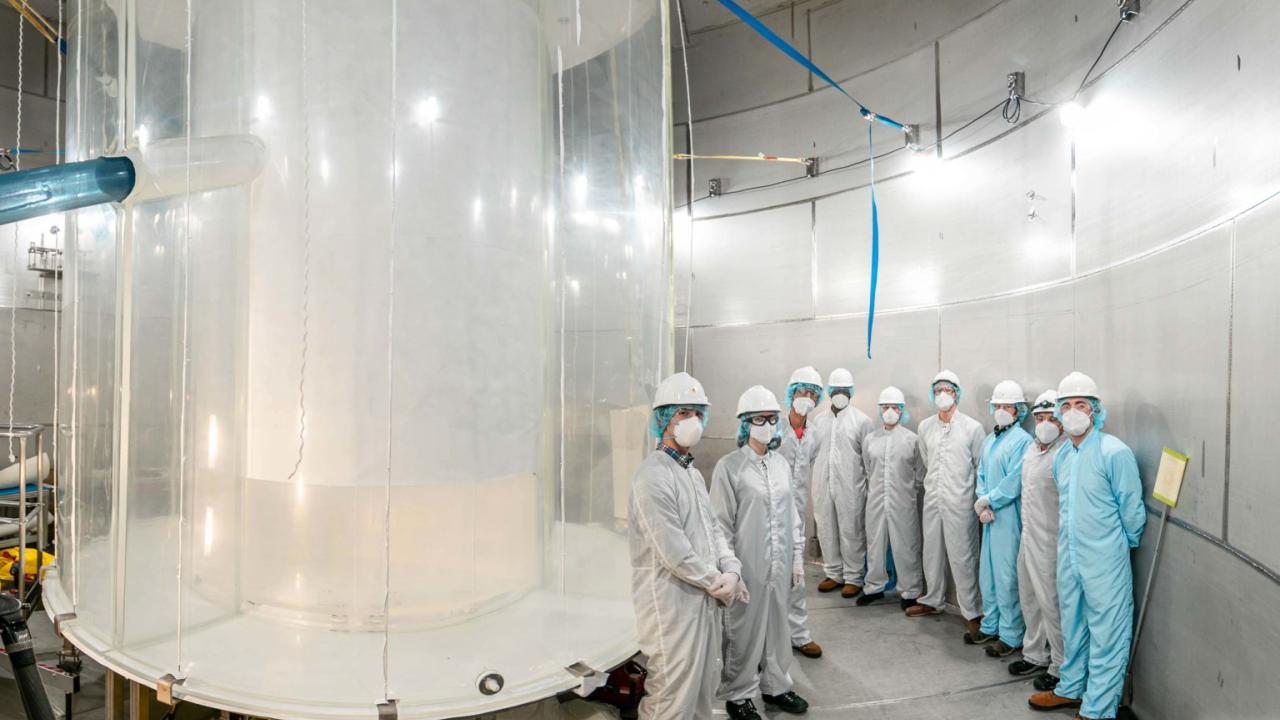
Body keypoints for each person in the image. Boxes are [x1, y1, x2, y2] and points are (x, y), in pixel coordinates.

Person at [630, 372, 746, 720]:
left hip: (700, 600)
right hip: (672, 609)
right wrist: (718, 583)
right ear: (663, 419)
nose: (692, 421)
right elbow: (674, 553)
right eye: (682, 413)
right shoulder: (652, 476)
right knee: (670, 697)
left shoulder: (691, 474)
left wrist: (733, 569)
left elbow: (713, 529)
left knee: (700, 690)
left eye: (697, 412)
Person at [1029, 372, 1146, 720]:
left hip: (1105, 560)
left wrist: (1117, 548)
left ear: (1095, 411)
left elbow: (1132, 511)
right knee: (1073, 626)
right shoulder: (1064, 456)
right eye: (1067, 406)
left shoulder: (1114, 452)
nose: (1074, 412)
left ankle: (1097, 709)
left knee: (1108, 633)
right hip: (1070, 557)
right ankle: (1070, 688)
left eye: (1081, 405)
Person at [710, 386, 810, 720]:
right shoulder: (730, 467)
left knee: (779, 628)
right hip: (747, 566)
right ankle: (738, 694)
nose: (766, 425)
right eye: (758, 419)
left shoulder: (781, 464)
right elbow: (719, 525)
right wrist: (729, 570)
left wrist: (797, 557)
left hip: (780, 565)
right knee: (743, 630)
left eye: (770, 418)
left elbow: (792, 516)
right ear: (744, 424)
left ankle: (777, 686)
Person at [907, 370, 986, 643]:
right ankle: (932, 599)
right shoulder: (925, 427)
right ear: (932, 394)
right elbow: (927, 460)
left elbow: (979, 467)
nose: (943, 394)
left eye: (949, 390)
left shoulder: (972, 428)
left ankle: (972, 611)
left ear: (957, 394)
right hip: (933, 499)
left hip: (960, 502)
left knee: (963, 556)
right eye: (938, 389)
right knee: (932, 551)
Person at [1010, 390, 1067, 689]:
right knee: (1029, 597)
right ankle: (1034, 654)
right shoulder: (1032, 449)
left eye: (1051, 418)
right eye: (1040, 418)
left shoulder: (1065, 453)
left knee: (1052, 603)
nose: (1045, 424)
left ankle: (1059, 665)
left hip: (1052, 541)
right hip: (1029, 535)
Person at [973, 380, 1033, 655]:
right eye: (998, 406)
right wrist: (981, 501)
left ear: (1019, 410)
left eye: (1007, 406)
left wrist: (991, 500)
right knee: (988, 574)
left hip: (1008, 517)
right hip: (988, 516)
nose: (1001, 410)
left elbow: (1015, 481)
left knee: (1007, 575)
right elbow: (982, 473)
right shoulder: (989, 439)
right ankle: (991, 625)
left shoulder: (1023, 441)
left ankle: (1010, 635)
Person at [858, 386, 924, 610]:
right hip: (876, 500)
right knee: (875, 544)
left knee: (906, 545)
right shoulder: (870, 440)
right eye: (885, 407)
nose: (889, 411)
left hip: (903, 501)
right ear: (879, 409)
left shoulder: (912, 440)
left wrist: (907, 492)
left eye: (894, 407)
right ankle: (874, 587)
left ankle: (910, 591)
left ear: (901, 410)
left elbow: (920, 472)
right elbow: (868, 469)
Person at [810, 367, 874, 599]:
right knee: (826, 527)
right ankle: (834, 573)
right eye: (836, 390)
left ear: (851, 392)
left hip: (851, 486)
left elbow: (868, 460)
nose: (840, 394)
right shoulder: (818, 421)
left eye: (844, 390)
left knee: (851, 530)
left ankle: (854, 577)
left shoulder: (862, 422)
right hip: (822, 483)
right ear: (829, 392)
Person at [778, 366, 824, 659]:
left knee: (796, 575)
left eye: (811, 393)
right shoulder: (773, 428)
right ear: (790, 393)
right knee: (764, 577)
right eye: (801, 391)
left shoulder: (815, 434)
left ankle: (799, 634)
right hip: (767, 514)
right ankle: (766, 638)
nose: (805, 397)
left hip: (796, 515)